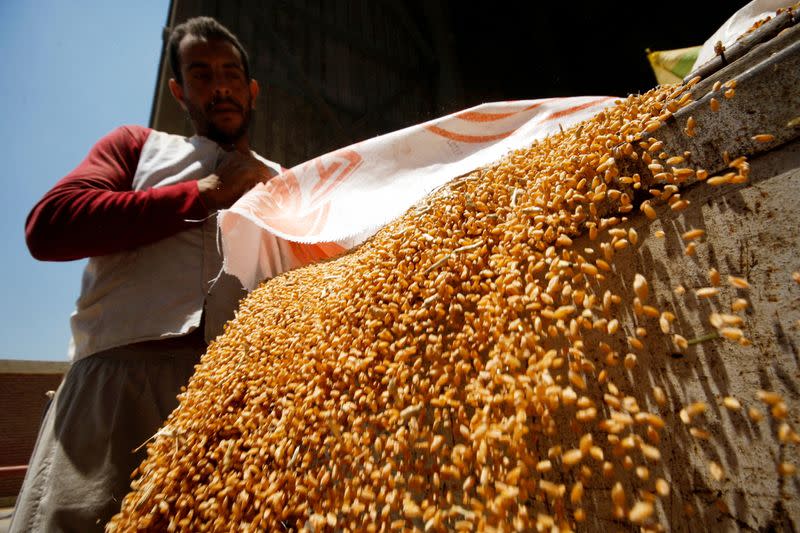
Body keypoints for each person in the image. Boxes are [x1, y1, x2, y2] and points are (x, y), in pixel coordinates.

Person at [11, 16, 283, 532]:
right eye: (201, 75)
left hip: (235, 402)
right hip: (116, 388)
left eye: (230, 74)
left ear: (251, 90)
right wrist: (204, 193)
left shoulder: (285, 179)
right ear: (179, 91)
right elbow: (48, 226)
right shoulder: (139, 147)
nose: (219, 86)